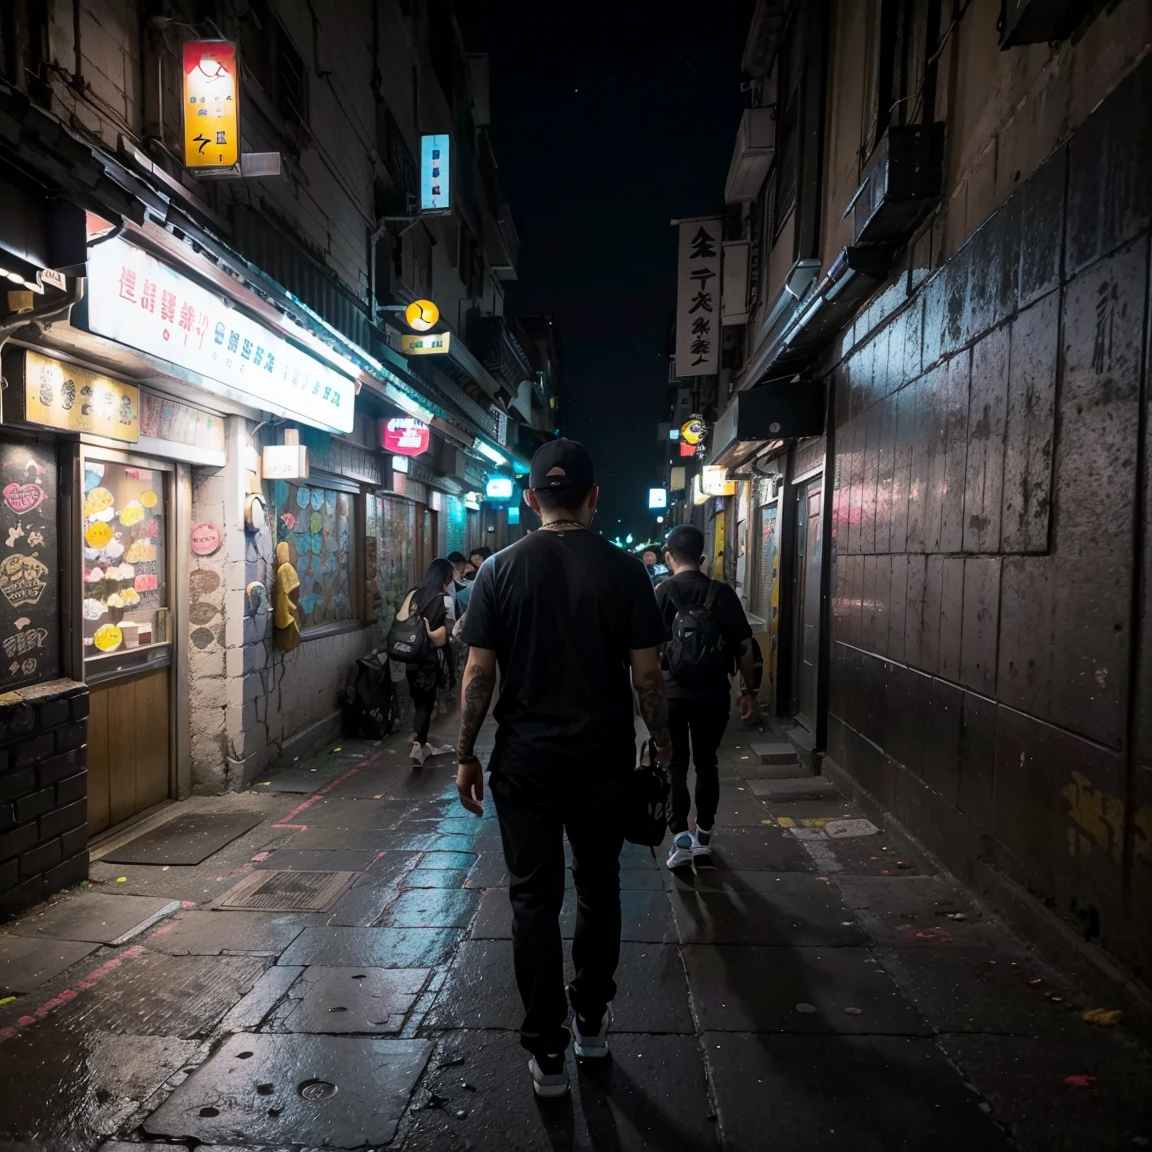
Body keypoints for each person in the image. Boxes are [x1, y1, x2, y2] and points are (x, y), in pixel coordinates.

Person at [455, 438, 670, 1099]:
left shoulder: (498, 571)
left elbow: (478, 671)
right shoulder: (627, 572)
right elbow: (649, 675)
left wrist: (465, 753)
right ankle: (593, 1021)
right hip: (602, 760)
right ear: (594, 497)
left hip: (525, 764)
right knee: (601, 888)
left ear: (529, 500)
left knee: (532, 901)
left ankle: (546, 1049)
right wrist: (659, 744)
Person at [655, 523, 758, 870]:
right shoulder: (723, 594)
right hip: (713, 694)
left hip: (672, 695)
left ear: (669, 557)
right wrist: (747, 691)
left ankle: (680, 843)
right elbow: (744, 648)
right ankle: (703, 838)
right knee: (707, 764)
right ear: (701, 557)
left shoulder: (663, 592)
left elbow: (647, 651)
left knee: (676, 765)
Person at [394, 557, 456, 767]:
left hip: (410, 655)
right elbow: (449, 632)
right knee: (426, 704)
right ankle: (419, 746)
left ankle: (422, 742)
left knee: (418, 700)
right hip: (430, 657)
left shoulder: (413, 593)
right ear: (445, 578)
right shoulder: (444, 599)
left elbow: (401, 619)